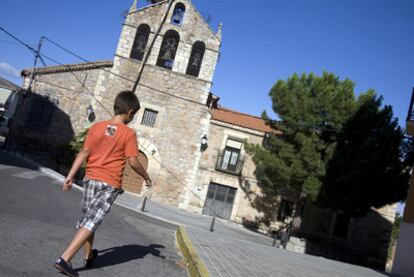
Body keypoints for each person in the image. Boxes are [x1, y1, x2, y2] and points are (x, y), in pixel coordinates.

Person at [53, 90, 151, 277]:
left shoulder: (97, 127)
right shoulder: (128, 134)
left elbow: (84, 152)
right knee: (91, 221)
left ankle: (89, 256)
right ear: (130, 112)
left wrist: (70, 176)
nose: (132, 118)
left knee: (88, 220)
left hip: (90, 178)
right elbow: (132, 161)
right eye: (134, 114)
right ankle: (64, 259)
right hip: (109, 183)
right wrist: (146, 177)